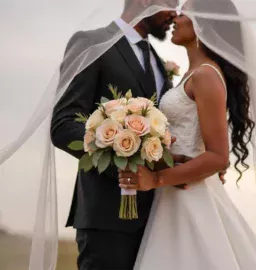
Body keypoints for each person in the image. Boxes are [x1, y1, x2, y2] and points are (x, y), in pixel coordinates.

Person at [118, 0, 256, 269]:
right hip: (173, 194)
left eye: (184, 13)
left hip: (189, 195)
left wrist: (156, 178)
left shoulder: (206, 76)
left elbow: (218, 157)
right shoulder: (191, 75)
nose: (175, 18)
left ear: (203, 23)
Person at [50, 1, 179, 269]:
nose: (174, 13)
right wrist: (125, 154)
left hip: (159, 220)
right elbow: (63, 125)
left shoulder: (157, 61)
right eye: (170, 2)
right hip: (106, 217)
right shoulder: (91, 43)